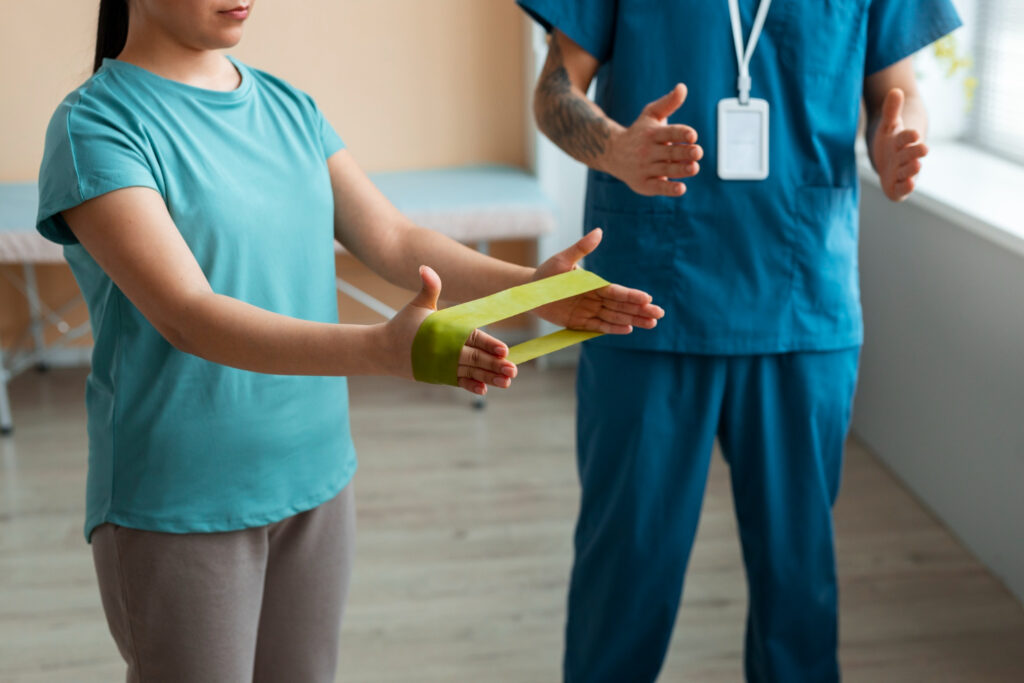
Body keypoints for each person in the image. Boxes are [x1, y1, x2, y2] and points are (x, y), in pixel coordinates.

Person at [35, 1, 665, 680]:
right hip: (182, 500)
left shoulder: (288, 108)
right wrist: (380, 350)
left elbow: (395, 240)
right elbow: (189, 314)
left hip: (318, 480)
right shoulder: (96, 126)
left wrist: (536, 285)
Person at [518, 0, 961, 680]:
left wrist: (896, 141)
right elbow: (554, 91)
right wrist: (615, 148)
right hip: (644, 300)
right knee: (624, 580)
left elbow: (895, 94)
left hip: (801, 297)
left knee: (798, 585)